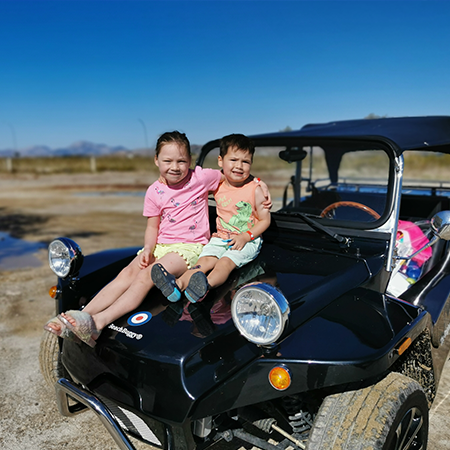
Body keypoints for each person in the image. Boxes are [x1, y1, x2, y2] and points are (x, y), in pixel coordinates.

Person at [44, 131, 270, 347]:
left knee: (144, 278)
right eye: (168, 161)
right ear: (156, 160)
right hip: (162, 245)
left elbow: (235, 175)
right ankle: (82, 316)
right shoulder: (154, 191)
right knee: (126, 274)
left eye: (181, 161)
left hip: (190, 248)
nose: (175, 167)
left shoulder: (201, 177)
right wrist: (148, 249)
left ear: (190, 161)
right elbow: (152, 226)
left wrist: (259, 183)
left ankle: (98, 323)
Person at [151, 133, 271, 304]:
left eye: (245, 162)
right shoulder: (218, 184)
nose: (239, 166)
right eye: (234, 160)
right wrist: (166, 178)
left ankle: (204, 286)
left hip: (247, 240)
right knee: (203, 262)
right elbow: (190, 187)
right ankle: (177, 285)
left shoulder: (256, 190)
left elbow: (265, 220)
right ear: (221, 161)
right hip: (220, 237)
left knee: (225, 263)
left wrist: (246, 236)